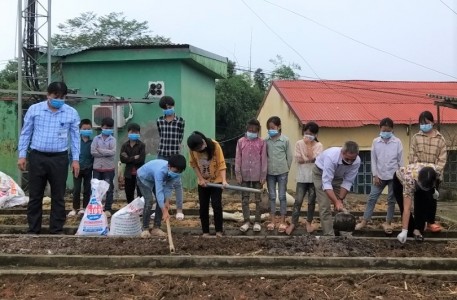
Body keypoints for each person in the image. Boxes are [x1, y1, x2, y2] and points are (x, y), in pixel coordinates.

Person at [17, 81, 80, 234]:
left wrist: (75, 160)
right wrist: (22, 155)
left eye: (62, 97)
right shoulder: (35, 110)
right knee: (35, 195)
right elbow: (26, 133)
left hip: (59, 158)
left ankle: (56, 229)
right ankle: (33, 229)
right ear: (48, 95)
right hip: (37, 156)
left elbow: (75, 137)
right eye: (55, 96)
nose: (59, 99)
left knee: (58, 195)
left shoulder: (71, 113)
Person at [356, 118, 403, 234]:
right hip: (380, 176)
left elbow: (400, 161)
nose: (385, 132)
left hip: (394, 176)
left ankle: (388, 222)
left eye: (388, 130)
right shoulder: (375, 142)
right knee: (372, 198)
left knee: (391, 200)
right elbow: (374, 160)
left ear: (392, 130)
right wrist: (375, 175)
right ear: (380, 129)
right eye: (383, 130)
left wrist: (401, 177)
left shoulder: (397, 142)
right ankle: (364, 221)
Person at [313, 141, 361, 236]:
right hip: (321, 173)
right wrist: (336, 201)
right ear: (342, 153)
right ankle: (329, 236)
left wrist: (340, 199)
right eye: (347, 159)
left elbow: (347, 181)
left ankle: (340, 231)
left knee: (339, 206)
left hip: (338, 176)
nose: (350, 162)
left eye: (352, 159)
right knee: (325, 205)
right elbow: (326, 183)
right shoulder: (331, 157)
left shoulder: (357, 161)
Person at [410, 111, 447, 232]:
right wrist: (419, 170)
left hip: (434, 175)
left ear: (432, 122)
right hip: (419, 175)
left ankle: (430, 222)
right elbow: (412, 156)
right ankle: (418, 225)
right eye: (421, 123)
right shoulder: (416, 138)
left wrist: (434, 172)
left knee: (432, 199)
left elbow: (442, 159)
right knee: (419, 199)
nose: (424, 125)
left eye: (426, 123)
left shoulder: (440, 139)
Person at [286, 122, 323, 235]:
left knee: (311, 201)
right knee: (298, 201)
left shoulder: (319, 146)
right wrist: (308, 158)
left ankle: (308, 223)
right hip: (302, 177)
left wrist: (308, 146)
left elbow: (315, 159)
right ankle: (293, 223)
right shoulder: (298, 143)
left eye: (310, 134)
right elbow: (298, 159)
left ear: (315, 134)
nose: (307, 136)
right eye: (306, 133)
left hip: (313, 178)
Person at [187, 131, 228, 237]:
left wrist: (223, 180)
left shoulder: (214, 145)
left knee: (216, 205)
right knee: (203, 206)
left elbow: (221, 163)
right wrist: (201, 179)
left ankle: (219, 230)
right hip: (203, 182)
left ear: (203, 142)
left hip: (216, 181)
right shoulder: (192, 150)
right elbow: (194, 165)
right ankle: (205, 231)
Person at [136, 155, 187, 238]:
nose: (177, 173)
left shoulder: (175, 174)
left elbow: (168, 187)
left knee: (162, 201)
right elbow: (159, 191)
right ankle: (145, 228)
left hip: (154, 178)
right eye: (176, 170)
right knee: (149, 201)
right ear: (169, 166)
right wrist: (164, 211)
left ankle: (156, 228)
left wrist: (166, 202)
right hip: (143, 178)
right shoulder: (160, 171)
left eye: (179, 171)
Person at [156, 96, 186, 220]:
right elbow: (160, 134)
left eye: (169, 107)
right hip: (162, 153)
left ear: (173, 106)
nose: (167, 110)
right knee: (160, 183)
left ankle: (179, 209)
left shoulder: (180, 121)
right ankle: (161, 209)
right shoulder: (159, 120)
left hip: (174, 154)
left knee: (177, 183)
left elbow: (180, 137)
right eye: (165, 108)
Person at [235, 119, 267, 232]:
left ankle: (257, 221)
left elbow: (263, 160)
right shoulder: (240, 142)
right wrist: (238, 174)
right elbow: (238, 159)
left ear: (258, 131)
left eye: (254, 130)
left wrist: (263, 176)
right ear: (247, 129)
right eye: (250, 130)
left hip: (257, 175)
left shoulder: (262, 142)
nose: (251, 132)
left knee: (258, 199)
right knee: (245, 199)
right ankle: (246, 221)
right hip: (244, 175)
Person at [394, 163, 438, 243]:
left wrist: (434, 190)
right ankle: (408, 231)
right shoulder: (409, 180)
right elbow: (407, 209)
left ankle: (417, 229)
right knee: (404, 206)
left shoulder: (434, 171)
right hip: (400, 180)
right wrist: (404, 230)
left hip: (423, 181)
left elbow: (436, 182)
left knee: (422, 203)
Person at [265, 116, 292, 233]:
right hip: (269, 173)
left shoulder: (285, 140)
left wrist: (286, 169)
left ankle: (282, 221)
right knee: (271, 196)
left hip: (282, 172)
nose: (271, 130)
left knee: (282, 196)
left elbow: (289, 157)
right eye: (269, 128)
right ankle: (272, 221)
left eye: (273, 127)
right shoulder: (265, 141)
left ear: (279, 127)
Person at [91, 117, 116, 217]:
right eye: (106, 127)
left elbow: (113, 153)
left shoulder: (113, 139)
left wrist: (100, 150)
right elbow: (93, 152)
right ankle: (97, 207)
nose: (108, 129)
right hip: (97, 168)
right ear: (101, 127)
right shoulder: (96, 139)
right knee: (96, 189)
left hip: (109, 168)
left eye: (110, 127)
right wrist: (106, 152)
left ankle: (108, 208)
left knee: (109, 189)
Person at [68, 119, 94, 217]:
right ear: (80, 129)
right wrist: (72, 164)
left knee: (87, 190)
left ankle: (85, 208)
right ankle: (75, 208)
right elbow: (70, 155)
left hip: (88, 169)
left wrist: (91, 166)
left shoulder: (93, 142)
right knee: (77, 189)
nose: (86, 130)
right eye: (84, 128)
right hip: (77, 169)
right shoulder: (76, 141)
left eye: (88, 129)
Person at [120, 123, 146, 204]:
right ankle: (130, 210)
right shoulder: (124, 146)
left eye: (136, 132)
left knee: (140, 193)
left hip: (139, 173)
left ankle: (140, 210)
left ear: (139, 133)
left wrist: (129, 158)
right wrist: (134, 157)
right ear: (128, 133)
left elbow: (141, 159)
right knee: (129, 193)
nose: (134, 134)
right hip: (128, 173)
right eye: (132, 132)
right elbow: (122, 159)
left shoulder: (142, 145)